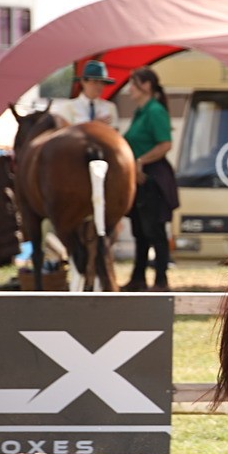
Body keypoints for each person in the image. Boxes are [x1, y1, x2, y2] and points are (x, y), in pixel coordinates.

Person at [122, 67, 178, 291]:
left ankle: (161, 280)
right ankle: (138, 277)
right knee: (139, 229)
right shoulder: (140, 111)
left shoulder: (155, 111)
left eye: (133, 84)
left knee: (154, 230)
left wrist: (140, 161)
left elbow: (165, 144)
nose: (129, 89)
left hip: (152, 177)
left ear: (146, 86)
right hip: (138, 177)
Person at [65, 60, 119, 126]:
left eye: (102, 83)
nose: (99, 86)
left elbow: (115, 133)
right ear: (83, 82)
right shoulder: (69, 107)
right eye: (95, 81)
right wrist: (93, 124)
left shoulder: (110, 107)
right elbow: (67, 133)